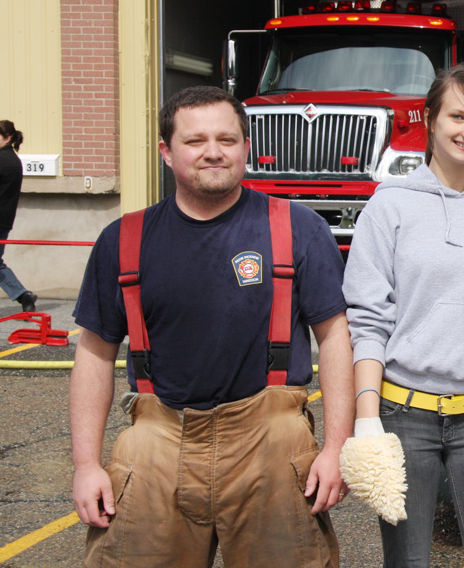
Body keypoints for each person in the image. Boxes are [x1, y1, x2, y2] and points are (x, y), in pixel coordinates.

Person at [69, 86, 353, 567]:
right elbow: (94, 353)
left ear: (246, 146)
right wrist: (85, 465)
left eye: (227, 139)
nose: (214, 152)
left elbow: (335, 337)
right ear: (167, 151)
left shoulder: (299, 228)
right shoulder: (122, 239)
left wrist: (335, 449)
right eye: (195, 140)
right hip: (156, 441)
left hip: (272, 443)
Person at [342, 64, 464, 568]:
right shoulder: (388, 207)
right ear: (430, 118)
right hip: (404, 415)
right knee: (406, 561)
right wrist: (366, 420)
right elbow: (368, 320)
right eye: (457, 116)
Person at [0, 120, 37, 312]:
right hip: (3, 220)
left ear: (7, 138)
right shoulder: (11, 159)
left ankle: (23, 295)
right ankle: (23, 295)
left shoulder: (2, 161)